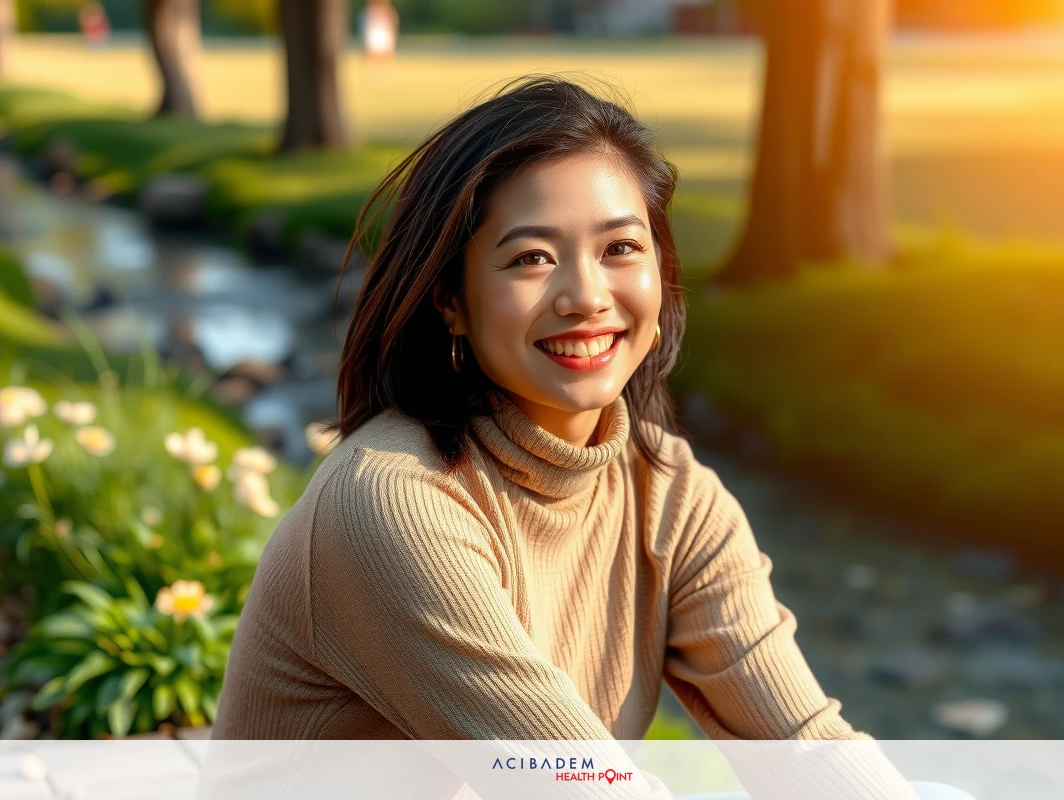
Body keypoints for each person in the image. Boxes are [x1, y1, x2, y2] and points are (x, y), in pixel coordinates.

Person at [209, 75, 920, 799]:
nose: (585, 297)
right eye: (531, 258)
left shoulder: (671, 493)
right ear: (450, 301)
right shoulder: (392, 503)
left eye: (619, 247)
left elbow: (806, 749)